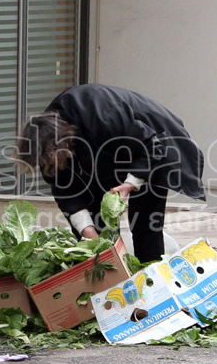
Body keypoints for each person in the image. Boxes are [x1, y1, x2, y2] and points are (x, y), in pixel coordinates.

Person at [17, 84, 205, 263]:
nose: (53, 165)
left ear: (63, 142)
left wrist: (130, 183)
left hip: (151, 144)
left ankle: (150, 278)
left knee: (145, 223)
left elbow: (149, 145)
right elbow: (67, 194)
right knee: (97, 225)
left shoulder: (102, 115)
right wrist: (88, 231)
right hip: (107, 153)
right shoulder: (44, 143)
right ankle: (109, 280)